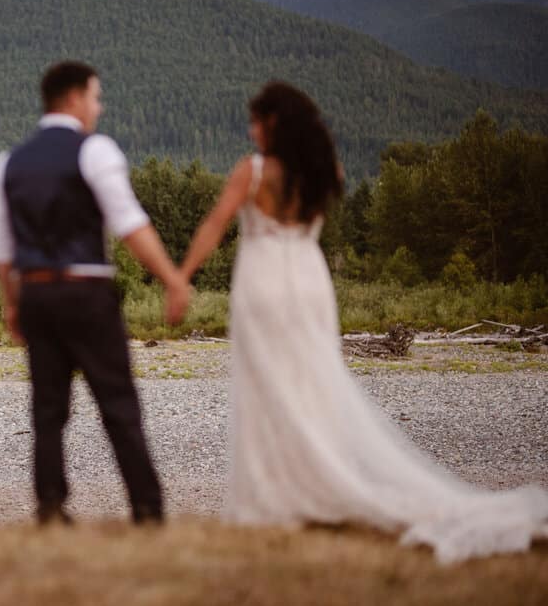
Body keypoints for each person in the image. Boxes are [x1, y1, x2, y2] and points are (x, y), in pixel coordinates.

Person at [178, 80, 548, 564]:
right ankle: (313, 480)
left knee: (263, 382)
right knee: (312, 382)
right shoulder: (324, 171)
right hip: (310, 279)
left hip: (264, 278)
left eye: (257, 121)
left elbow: (213, 224)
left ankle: (275, 493)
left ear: (275, 124)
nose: (251, 131)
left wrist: (181, 276)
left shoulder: (252, 174)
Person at [0, 60, 190, 525]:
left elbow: (3, 247)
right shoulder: (93, 150)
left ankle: (51, 506)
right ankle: (146, 507)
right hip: (87, 291)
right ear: (75, 99)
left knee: (47, 406)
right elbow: (129, 222)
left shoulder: (7, 163)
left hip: (36, 294)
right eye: (96, 97)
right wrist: (171, 278)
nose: (98, 108)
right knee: (117, 401)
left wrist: (12, 303)